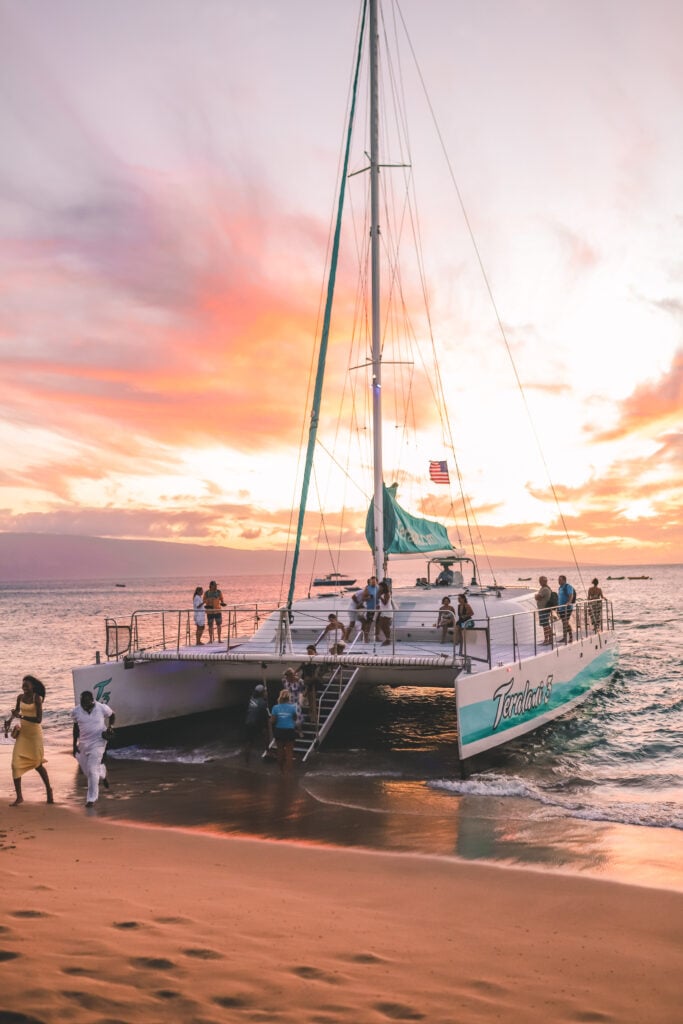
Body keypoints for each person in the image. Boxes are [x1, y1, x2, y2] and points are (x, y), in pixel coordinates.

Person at [4, 675, 53, 806]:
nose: (24, 687)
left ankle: (49, 790)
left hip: (34, 735)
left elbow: (38, 720)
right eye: (23, 685)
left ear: (33, 686)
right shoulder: (20, 697)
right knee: (15, 764)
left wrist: (21, 716)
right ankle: (19, 797)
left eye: (27, 685)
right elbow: (16, 712)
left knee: (37, 764)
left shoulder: (36, 698)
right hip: (23, 735)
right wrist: (9, 721)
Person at [72, 690, 115, 807]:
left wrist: (110, 727)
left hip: (99, 741)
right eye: (83, 705)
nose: (85, 707)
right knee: (88, 772)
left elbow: (112, 715)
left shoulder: (102, 708)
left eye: (87, 705)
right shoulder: (76, 711)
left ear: (92, 701)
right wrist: (73, 745)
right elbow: (75, 728)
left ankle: (91, 799)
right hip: (84, 743)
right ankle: (103, 774)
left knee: (91, 770)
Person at [270, 689, 299, 774]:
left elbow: (272, 721)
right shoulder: (293, 707)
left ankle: (281, 771)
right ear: (289, 697)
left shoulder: (275, 707)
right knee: (289, 752)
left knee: (280, 751)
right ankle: (289, 772)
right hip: (289, 730)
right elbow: (295, 718)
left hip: (279, 730)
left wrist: (271, 719)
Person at [243, 684, 270, 763]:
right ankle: (268, 751)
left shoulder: (251, 699)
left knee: (249, 741)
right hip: (257, 722)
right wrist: (266, 725)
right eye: (264, 691)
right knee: (266, 735)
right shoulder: (263, 702)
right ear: (262, 693)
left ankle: (246, 760)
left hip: (248, 722)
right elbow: (264, 716)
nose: (266, 693)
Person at [300, 645, 321, 724]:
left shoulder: (317, 660)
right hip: (308, 680)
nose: (309, 653)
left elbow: (316, 673)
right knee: (310, 700)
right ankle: (312, 715)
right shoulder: (306, 660)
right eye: (308, 652)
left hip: (313, 681)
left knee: (312, 700)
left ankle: (314, 717)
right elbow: (302, 667)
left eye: (310, 652)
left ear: (314, 652)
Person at [535, 575, 553, 645]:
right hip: (543, 609)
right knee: (546, 625)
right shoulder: (544, 588)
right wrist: (537, 596)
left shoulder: (545, 589)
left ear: (544, 581)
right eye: (539, 581)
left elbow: (538, 597)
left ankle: (547, 640)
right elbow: (538, 597)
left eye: (540, 581)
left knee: (545, 625)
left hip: (544, 609)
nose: (539, 582)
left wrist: (536, 596)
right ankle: (549, 639)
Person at [557, 575, 576, 643]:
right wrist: (557, 607)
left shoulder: (568, 586)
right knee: (564, 623)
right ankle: (564, 638)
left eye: (560, 580)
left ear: (564, 580)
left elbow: (571, 595)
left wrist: (568, 602)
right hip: (561, 608)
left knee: (566, 622)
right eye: (558, 580)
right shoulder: (560, 588)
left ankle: (570, 637)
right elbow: (559, 598)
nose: (558, 581)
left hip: (567, 608)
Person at [375, 579, 393, 646]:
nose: (379, 588)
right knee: (382, 625)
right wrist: (379, 606)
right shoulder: (382, 593)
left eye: (380, 587)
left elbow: (385, 602)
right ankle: (387, 639)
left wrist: (380, 597)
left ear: (383, 587)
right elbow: (382, 603)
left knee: (385, 626)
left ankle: (388, 639)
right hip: (383, 612)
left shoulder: (387, 594)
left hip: (387, 612)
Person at [362, 576, 379, 641]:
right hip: (370, 609)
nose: (373, 582)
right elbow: (363, 598)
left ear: (377, 582)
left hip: (378, 609)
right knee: (369, 623)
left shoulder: (378, 588)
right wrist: (369, 597)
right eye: (372, 581)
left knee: (378, 623)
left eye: (374, 581)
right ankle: (366, 638)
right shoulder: (367, 588)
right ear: (370, 582)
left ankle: (377, 637)